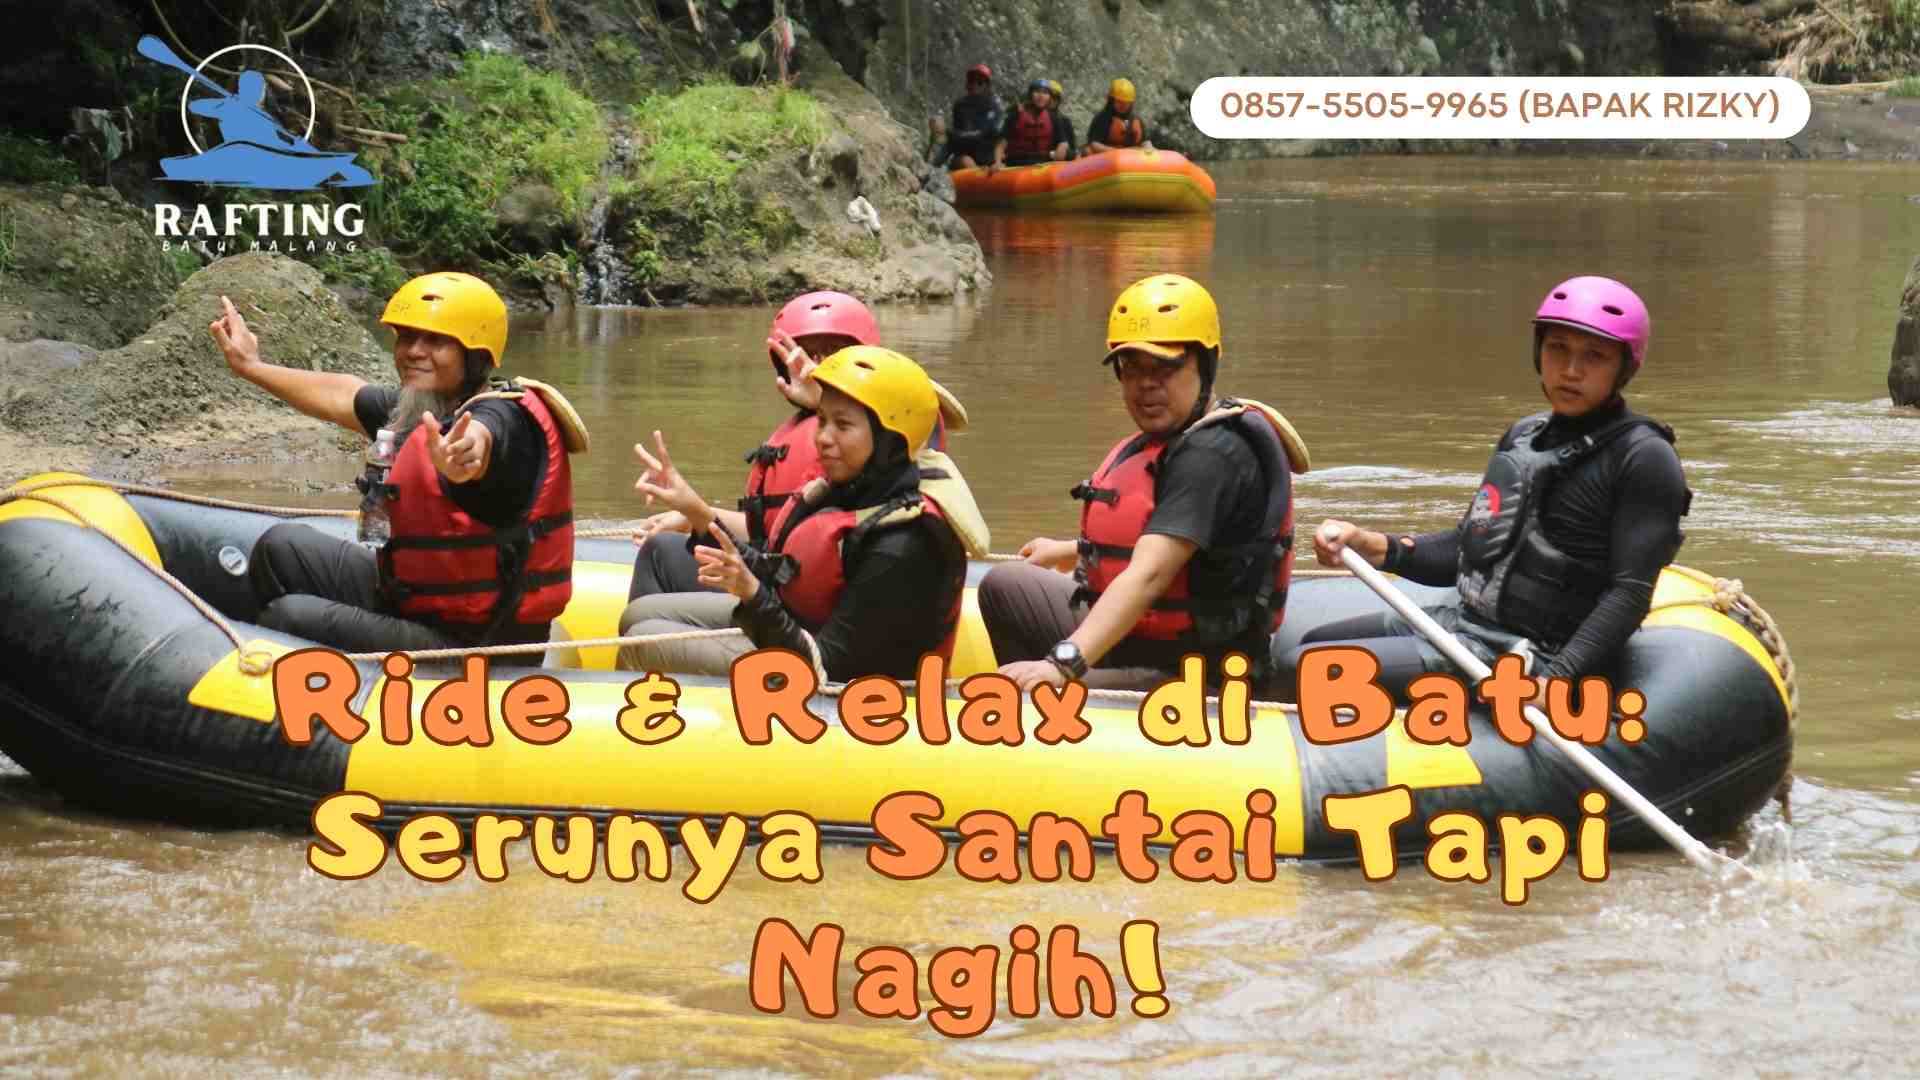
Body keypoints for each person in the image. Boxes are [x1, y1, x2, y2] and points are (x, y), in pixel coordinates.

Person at [1287, 275, 1689, 700]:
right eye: (1558, 349)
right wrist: (1372, 544)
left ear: (1623, 367)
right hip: (1464, 623)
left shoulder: (1644, 457)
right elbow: (1470, 547)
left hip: (1532, 655)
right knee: (1308, 644)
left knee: (1306, 671)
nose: (1571, 370)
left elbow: (1630, 592)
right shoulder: (1525, 435)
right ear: (1539, 352)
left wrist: (1554, 682)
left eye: (1594, 356)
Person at [209, 272, 587, 653]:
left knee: (289, 616)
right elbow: (344, 394)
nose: (413, 351)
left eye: (436, 340)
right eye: (407, 337)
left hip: (476, 643)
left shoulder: (505, 421)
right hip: (414, 603)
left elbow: (485, 439)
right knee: (282, 548)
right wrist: (252, 367)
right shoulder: (426, 407)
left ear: (475, 356)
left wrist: (464, 457)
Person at [980, 274, 1309, 694]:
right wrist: (1074, 549)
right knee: (1007, 585)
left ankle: (1044, 712)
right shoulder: (1178, 438)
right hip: (1145, 637)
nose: (1145, 383)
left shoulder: (1213, 456)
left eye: (1165, 366)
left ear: (1205, 363)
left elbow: (1151, 574)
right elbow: (1174, 541)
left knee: (1041, 687)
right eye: (1130, 366)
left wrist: (1061, 664)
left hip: (1193, 670)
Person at [617, 346, 990, 681]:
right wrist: (694, 510)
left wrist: (751, 591)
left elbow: (826, 669)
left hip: (851, 697)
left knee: (641, 640)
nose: (823, 437)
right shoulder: (854, 490)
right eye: (822, 421)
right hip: (795, 635)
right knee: (641, 614)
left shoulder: (903, 543)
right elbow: (785, 572)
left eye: (843, 425)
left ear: (890, 440)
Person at [625, 291, 967, 600]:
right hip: (780, 573)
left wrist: (825, 401)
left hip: (816, 597)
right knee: (660, 550)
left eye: (833, 353)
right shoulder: (819, 432)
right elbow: (773, 530)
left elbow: (870, 505)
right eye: (805, 352)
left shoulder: (890, 431)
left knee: (658, 566)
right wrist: (692, 513)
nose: (816, 364)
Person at [991, 79, 1071, 171]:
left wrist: (1062, 147)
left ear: (1049, 97)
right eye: (1037, 91)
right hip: (1016, 164)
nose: (1041, 96)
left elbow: (1063, 141)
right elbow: (1001, 144)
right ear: (1030, 94)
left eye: (1045, 93)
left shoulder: (1053, 118)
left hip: (1043, 164)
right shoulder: (1016, 114)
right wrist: (997, 162)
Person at [946, 63, 1003, 171]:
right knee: (966, 161)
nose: (975, 85)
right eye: (971, 81)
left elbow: (992, 134)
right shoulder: (960, 106)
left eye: (980, 83)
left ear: (987, 86)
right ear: (967, 83)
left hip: (987, 157)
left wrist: (998, 161)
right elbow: (954, 137)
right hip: (966, 156)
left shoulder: (994, 107)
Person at [1085, 78, 1151, 154]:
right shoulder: (1102, 119)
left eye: (1126, 103)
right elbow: (1094, 144)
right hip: (1107, 157)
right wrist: (1118, 153)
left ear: (1131, 103)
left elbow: (1145, 142)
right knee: (1087, 151)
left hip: (1132, 158)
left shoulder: (1136, 120)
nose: (1123, 105)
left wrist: (1149, 150)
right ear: (1112, 101)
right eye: (1119, 101)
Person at [1046, 79, 1078, 159]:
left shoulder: (1064, 121)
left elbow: (1072, 149)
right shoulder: (1031, 117)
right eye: (1049, 96)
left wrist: (1054, 154)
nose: (1051, 100)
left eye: (1055, 98)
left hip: (1057, 161)